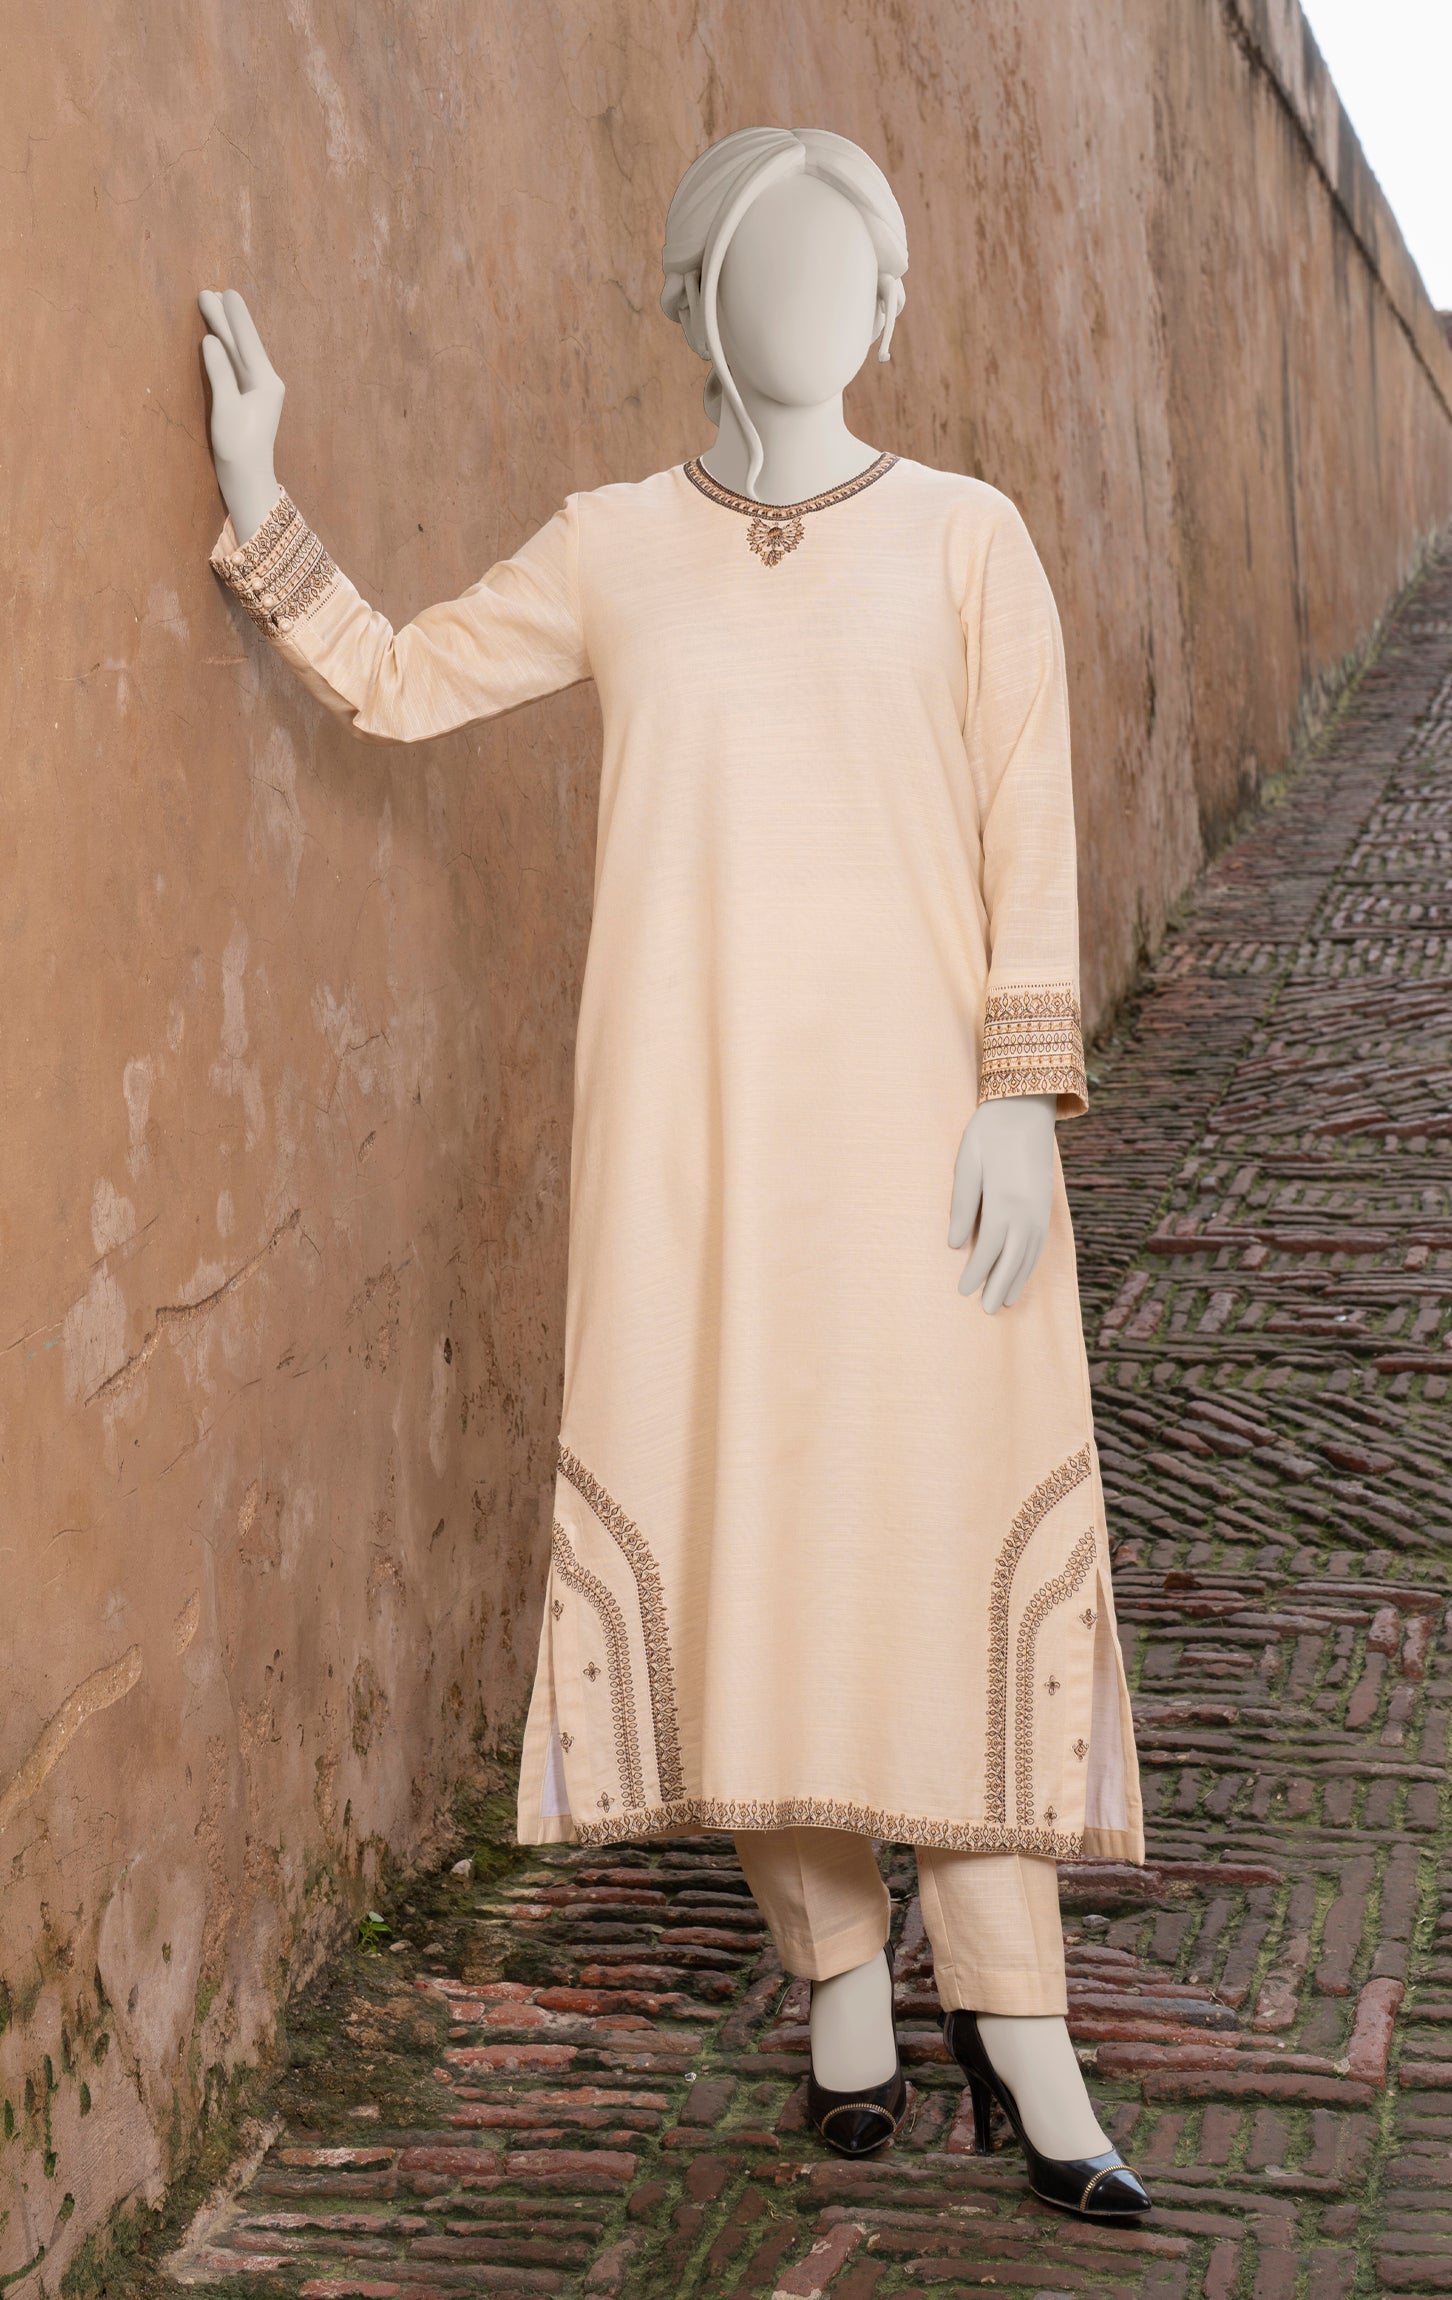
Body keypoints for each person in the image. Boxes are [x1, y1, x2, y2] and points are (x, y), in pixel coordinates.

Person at [199, 123, 1148, 2220]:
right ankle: (840, 1978)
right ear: (697, 298)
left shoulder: (968, 538)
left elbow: (1031, 826)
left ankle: (1023, 2025)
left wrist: (1020, 1093)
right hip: (696, 1141)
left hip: (930, 1137)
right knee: (752, 1554)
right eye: (768, 265)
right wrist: (263, 502)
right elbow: (405, 679)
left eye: (847, 270)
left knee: (946, 1542)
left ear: (890, 303)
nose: (814, 304)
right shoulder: (616, 545)